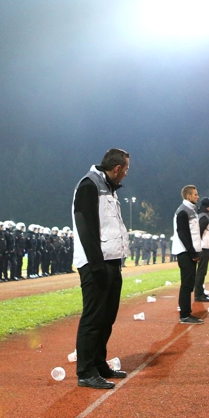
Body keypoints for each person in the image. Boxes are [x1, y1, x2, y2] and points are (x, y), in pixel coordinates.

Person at [72, 148, 131, 389]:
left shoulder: (108, 187)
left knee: (107, 317)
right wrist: (96, 265)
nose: (126, 174)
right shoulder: (89, 185)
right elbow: (85, 226)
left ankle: (98, 362)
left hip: (111, 261)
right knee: (93, 318)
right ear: (116, 168)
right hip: (96, 264)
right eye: (125, 170)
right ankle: (86, 371)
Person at [171, 184, 204, 324]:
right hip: (185, 252)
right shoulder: (183, 211)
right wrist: (193, 253)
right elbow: (183, 234)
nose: (198, 196)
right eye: (195, 194)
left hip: (189, 252)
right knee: (186, 283)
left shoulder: (190, 210)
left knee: (189, 283)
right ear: (188, 196)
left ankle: (186, 312)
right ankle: (184, 315)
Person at [194, 197, 209, 302]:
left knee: (201, 272)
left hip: (203, 247)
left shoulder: (202, 215)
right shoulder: (204, 217)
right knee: (201, 272)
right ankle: (198, 295)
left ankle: (200, 293)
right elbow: (199, 233)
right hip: (203, 248)